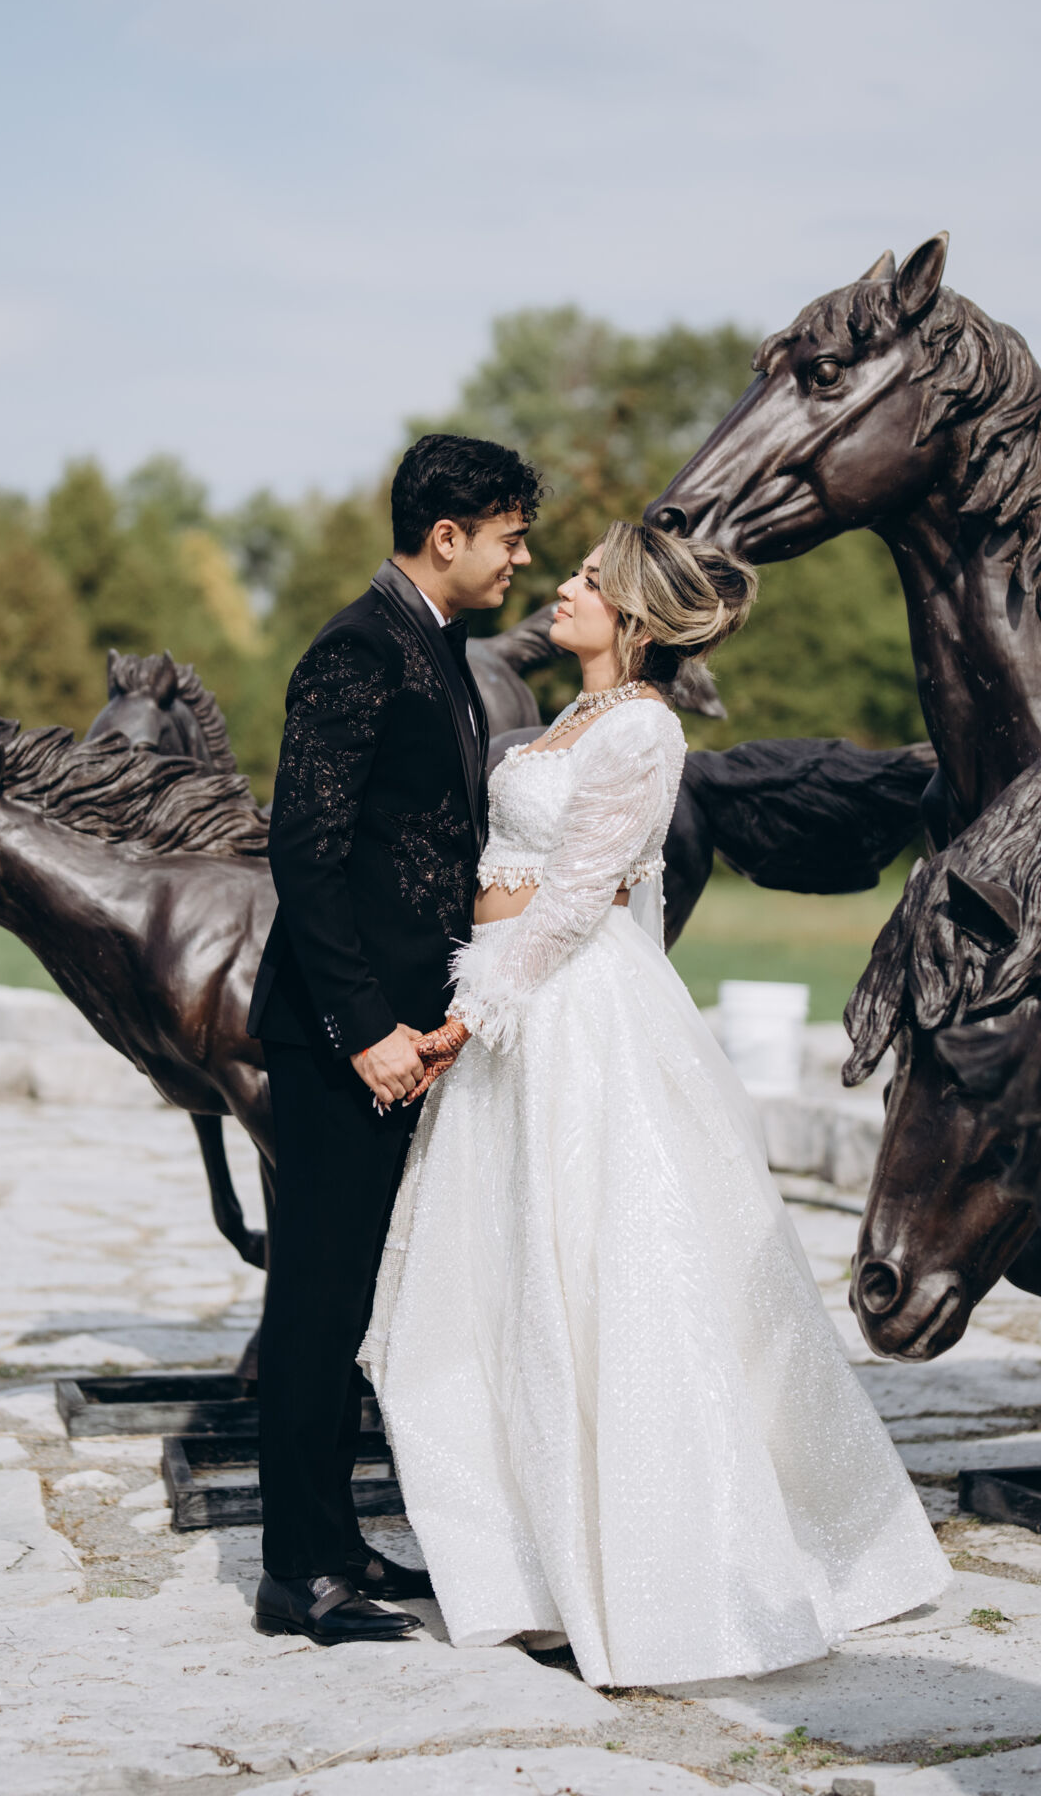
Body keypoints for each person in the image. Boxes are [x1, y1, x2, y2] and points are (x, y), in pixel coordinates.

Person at [360, 521, 950, 1689]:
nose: (561, 589)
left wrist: (467, 1020)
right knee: (502, 1278)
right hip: (510, 1008)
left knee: (600, 1273)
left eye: (586, 579)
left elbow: (579, 896)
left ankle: (650, 1572)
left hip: (564, 1014)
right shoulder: (567, 721)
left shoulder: (640, 728)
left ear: (630, 615)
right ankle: (528, 1560)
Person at [247, 431, 541, 1645]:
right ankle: (293, 1574)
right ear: (445, 533)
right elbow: (303, 852)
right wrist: (364, 1028)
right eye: (509, 537)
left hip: (410, 1040)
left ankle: (335, 1539)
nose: (521, 559)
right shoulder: (356, 650)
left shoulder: (438, 647)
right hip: (341, 1045)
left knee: (357, 1298)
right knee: (314, 1300)